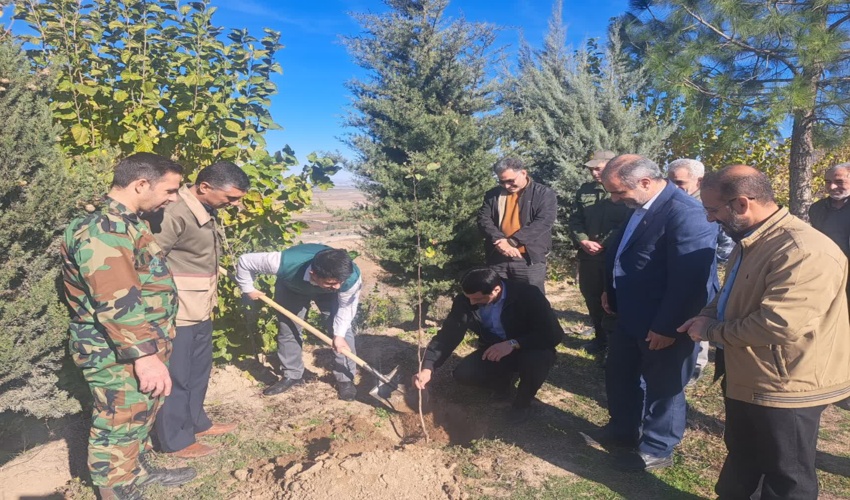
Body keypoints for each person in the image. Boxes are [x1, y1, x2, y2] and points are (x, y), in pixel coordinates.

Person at [679, 165, 850, 500]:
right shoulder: (754, 240)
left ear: (742, 204)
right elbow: (732, 294)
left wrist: (711, 330)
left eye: (713, 210)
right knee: (744, 458)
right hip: (752, 373)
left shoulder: (802, 250)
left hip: (785, 386)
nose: (710, 219)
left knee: (787, 477)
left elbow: (780, 324)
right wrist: (707, 314)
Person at [60, 153, 196, 500]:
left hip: (139, 343)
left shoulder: (127, 223)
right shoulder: (102, 230)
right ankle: (116, 490)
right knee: (119, 418)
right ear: (140, 185)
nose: (173, 198)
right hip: (114, 349)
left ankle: (136, 470)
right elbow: (117, 300)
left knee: (140, 411)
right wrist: (144, 356)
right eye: (169, 190)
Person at [596, 154, 718, 471]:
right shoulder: (640, 204)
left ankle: (658, 446)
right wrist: (611, 289)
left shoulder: (686, 213)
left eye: (618, 192)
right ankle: (624, 430)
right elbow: (626, 249)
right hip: (629, 312)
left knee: (664, 385)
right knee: (621, 374)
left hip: (665, 318)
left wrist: (666, 327)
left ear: (646, 183)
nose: (614, 199)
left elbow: (691, 280)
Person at [146, 161, 249, 458]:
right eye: (231, 198)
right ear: (205, 187)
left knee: (198, 370)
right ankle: (176, 440)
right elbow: (150, 259)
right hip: (177, 310)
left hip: (201, 307)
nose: (235, 204)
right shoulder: (175, 212)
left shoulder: (206, 210)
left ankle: (196, 422)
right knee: (177, 375)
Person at [412, 267, 564, 423]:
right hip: (494, 349)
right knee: (464, 374)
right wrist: (428, 367)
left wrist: (513, 344)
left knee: (538, 360)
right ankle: (503, 384)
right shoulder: (465, 301)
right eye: (468, 298)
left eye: (477, 299)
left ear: (496, 290)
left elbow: (552, 334)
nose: (472, 303)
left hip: (529, 348)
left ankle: (522, 404)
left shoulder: (528, 295)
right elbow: (448, 335)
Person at [236, 244, 362, 400]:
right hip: (292, 287)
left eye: (339, 282)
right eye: (331, 283)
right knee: (288, 328)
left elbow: (346, 309)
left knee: (343, 333)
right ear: (313, 274)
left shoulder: (348, 279)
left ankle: (346, 380)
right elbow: (245, 260)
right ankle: (292, 375)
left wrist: (339, 335)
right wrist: (247, 288)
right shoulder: (284, 262)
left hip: (330, 296)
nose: (336, 286)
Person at [667, 158, 734, 384]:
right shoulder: (672, 203)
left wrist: (703, 262)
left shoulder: (712, 205)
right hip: (677, 272)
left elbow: (726, 243)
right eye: (670, 181)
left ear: (700, 181)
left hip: (703, 270)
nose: (674, 186)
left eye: (679, 181)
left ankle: (697, 363)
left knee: (701, 311)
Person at [568, 150, 629, 355]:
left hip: (616, 256)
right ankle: (600, 340)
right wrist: (582, 240)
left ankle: (616, 345)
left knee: (614, 301)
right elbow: (575, 219)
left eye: (598, 168)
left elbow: (629, 223)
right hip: (589, 256)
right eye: (591, 169)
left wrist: (608, 243)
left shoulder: (625, 188)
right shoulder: (585, 190)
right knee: (592, 297)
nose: (594, 173)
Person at [477, 157, 557, 294]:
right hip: (498, 257)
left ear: (523, 173)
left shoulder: (544, 194)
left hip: (528, 259)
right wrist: (499, 240)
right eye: (502, 182)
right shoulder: (493, 195)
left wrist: (513, 242)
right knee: (501, 301)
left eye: (510, 181)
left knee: (533, 302)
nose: (507, 186)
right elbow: (483, 219)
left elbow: (543, 222)